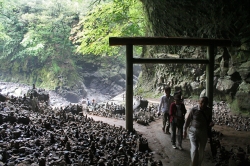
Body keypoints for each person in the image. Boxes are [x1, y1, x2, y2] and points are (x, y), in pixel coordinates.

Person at [183, 96, 214, 166]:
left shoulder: (209, 110)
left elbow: (209, 120)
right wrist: (184, 130)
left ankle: (198, 164)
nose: (203, 104)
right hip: (193, 131)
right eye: (202, 102)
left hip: (203, 131)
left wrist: (211, 123)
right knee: (194, 149)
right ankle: (194, 164)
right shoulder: (194, 109)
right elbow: (188, 120)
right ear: (199, 102)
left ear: (207, 103)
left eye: (205, 102)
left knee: (201, 150)